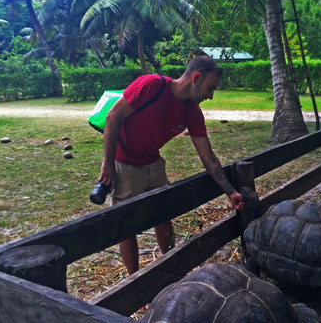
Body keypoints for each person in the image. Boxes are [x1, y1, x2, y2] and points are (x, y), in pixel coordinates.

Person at [98, 55, 244, 275]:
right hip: (125, 163)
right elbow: (113, 117)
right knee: (126, 224)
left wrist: (230, 192)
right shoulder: (151, 86)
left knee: (164, 213)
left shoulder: (193, 113)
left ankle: (170, 267)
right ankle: (133, 281)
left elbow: (208, 157)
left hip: (153, 162)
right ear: (196, 77)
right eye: (210, 88)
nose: (211, 96)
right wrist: (108, 164)